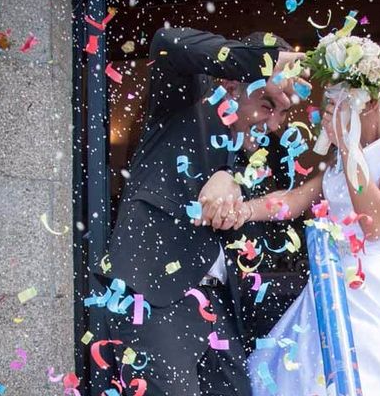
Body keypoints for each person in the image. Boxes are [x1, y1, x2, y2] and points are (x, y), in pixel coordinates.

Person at [203, 43, 380, 395]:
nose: (327, 117)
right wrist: (243, 210)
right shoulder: (349, 155)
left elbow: (377, 223)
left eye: (337, 105)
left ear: (367, 100)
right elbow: (295, 199)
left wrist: (350, 146)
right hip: (328, 288)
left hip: (374, 291)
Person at [97, 26, 308, 396]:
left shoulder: (253, 157)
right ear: (232, 84)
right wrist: (268, 62)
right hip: (155, 299)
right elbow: (166, 42)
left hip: (220, 309)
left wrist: (233, 181)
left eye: (282, 113)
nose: (274, 125)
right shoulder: (186, 100)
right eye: (268, 105)